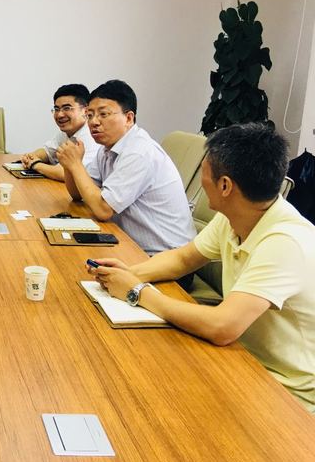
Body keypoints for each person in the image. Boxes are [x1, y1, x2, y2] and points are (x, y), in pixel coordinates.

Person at [90, 123, 315, 413]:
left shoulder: (285, 241)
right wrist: (129, 274)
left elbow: (222, 327)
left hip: (286, 391)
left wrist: (137, 292)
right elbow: (184, 259)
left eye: (205, 170)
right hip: (240, 358)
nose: (201, 177)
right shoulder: (237, 214)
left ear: (225, 186)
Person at [57, 80, 195, 257]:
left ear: (129, 118)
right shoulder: (106, 149)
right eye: (90, 115)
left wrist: (76, 165)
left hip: (164, 257)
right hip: (128, 244)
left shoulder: (139, 152)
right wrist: (69, 166)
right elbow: (78, 194)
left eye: (103, 114)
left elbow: (103, 210)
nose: (94, 122)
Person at [21, 84, 100, 181]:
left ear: (85, 111)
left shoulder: (92, 136)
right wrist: (31, 157)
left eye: (67, 108)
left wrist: (35, 164)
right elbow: (47, 151)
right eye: (56, 109)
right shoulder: (67, 132)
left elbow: (70, 173)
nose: (59, 115)